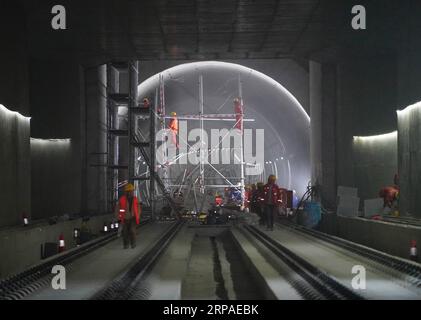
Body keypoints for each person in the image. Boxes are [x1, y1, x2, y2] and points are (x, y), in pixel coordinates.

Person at [116, 183, 142, 249]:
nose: (130, 193)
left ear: (132, 191)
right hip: (124, 219)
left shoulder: (135, 199)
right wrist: (119, 217)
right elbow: (117, 209)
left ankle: (133, 244)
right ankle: (126, 245)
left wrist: (138, 216)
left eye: (131, 191)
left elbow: (138, 208)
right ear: (126, 192)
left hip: (133, 218)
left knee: (132, 231)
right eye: (128, 191)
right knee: (125, 233)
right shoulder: (122, 199)